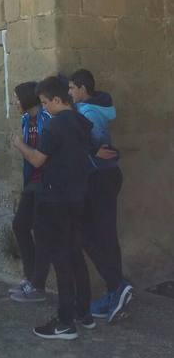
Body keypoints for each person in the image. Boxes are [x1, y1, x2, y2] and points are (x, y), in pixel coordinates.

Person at [13, 75, 93, 340]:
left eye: (47, 102)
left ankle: (65, 321)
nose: (45, 107)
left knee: (61, 259)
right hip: (77, 197)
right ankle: (84, 312)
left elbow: (37, 160)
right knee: (74, 254)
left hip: (55, 198)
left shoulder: (56, 125)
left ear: (58, 99)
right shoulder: (83, 122)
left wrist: (20, 145)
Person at [69, 69, 132, 323]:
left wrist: (90, 150)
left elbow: (96, 147)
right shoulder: (95, 108)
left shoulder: (88, 112)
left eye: (72, 88)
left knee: (92, 235)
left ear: (83, 89)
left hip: (99, 180)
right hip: (103, 178)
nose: (70, 92)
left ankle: (117, 287)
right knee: (101, 235)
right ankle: (114, 290)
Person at [9, 81, 51, 303]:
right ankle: (31, 276)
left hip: (47, 183)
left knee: (43, 234)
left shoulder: (47, 118)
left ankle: (38, 285)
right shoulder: (26, 119)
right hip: (31, 182)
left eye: (17, 97)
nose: (15, 102)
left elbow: (41, 155)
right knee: (20, 225)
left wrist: (20, 146)